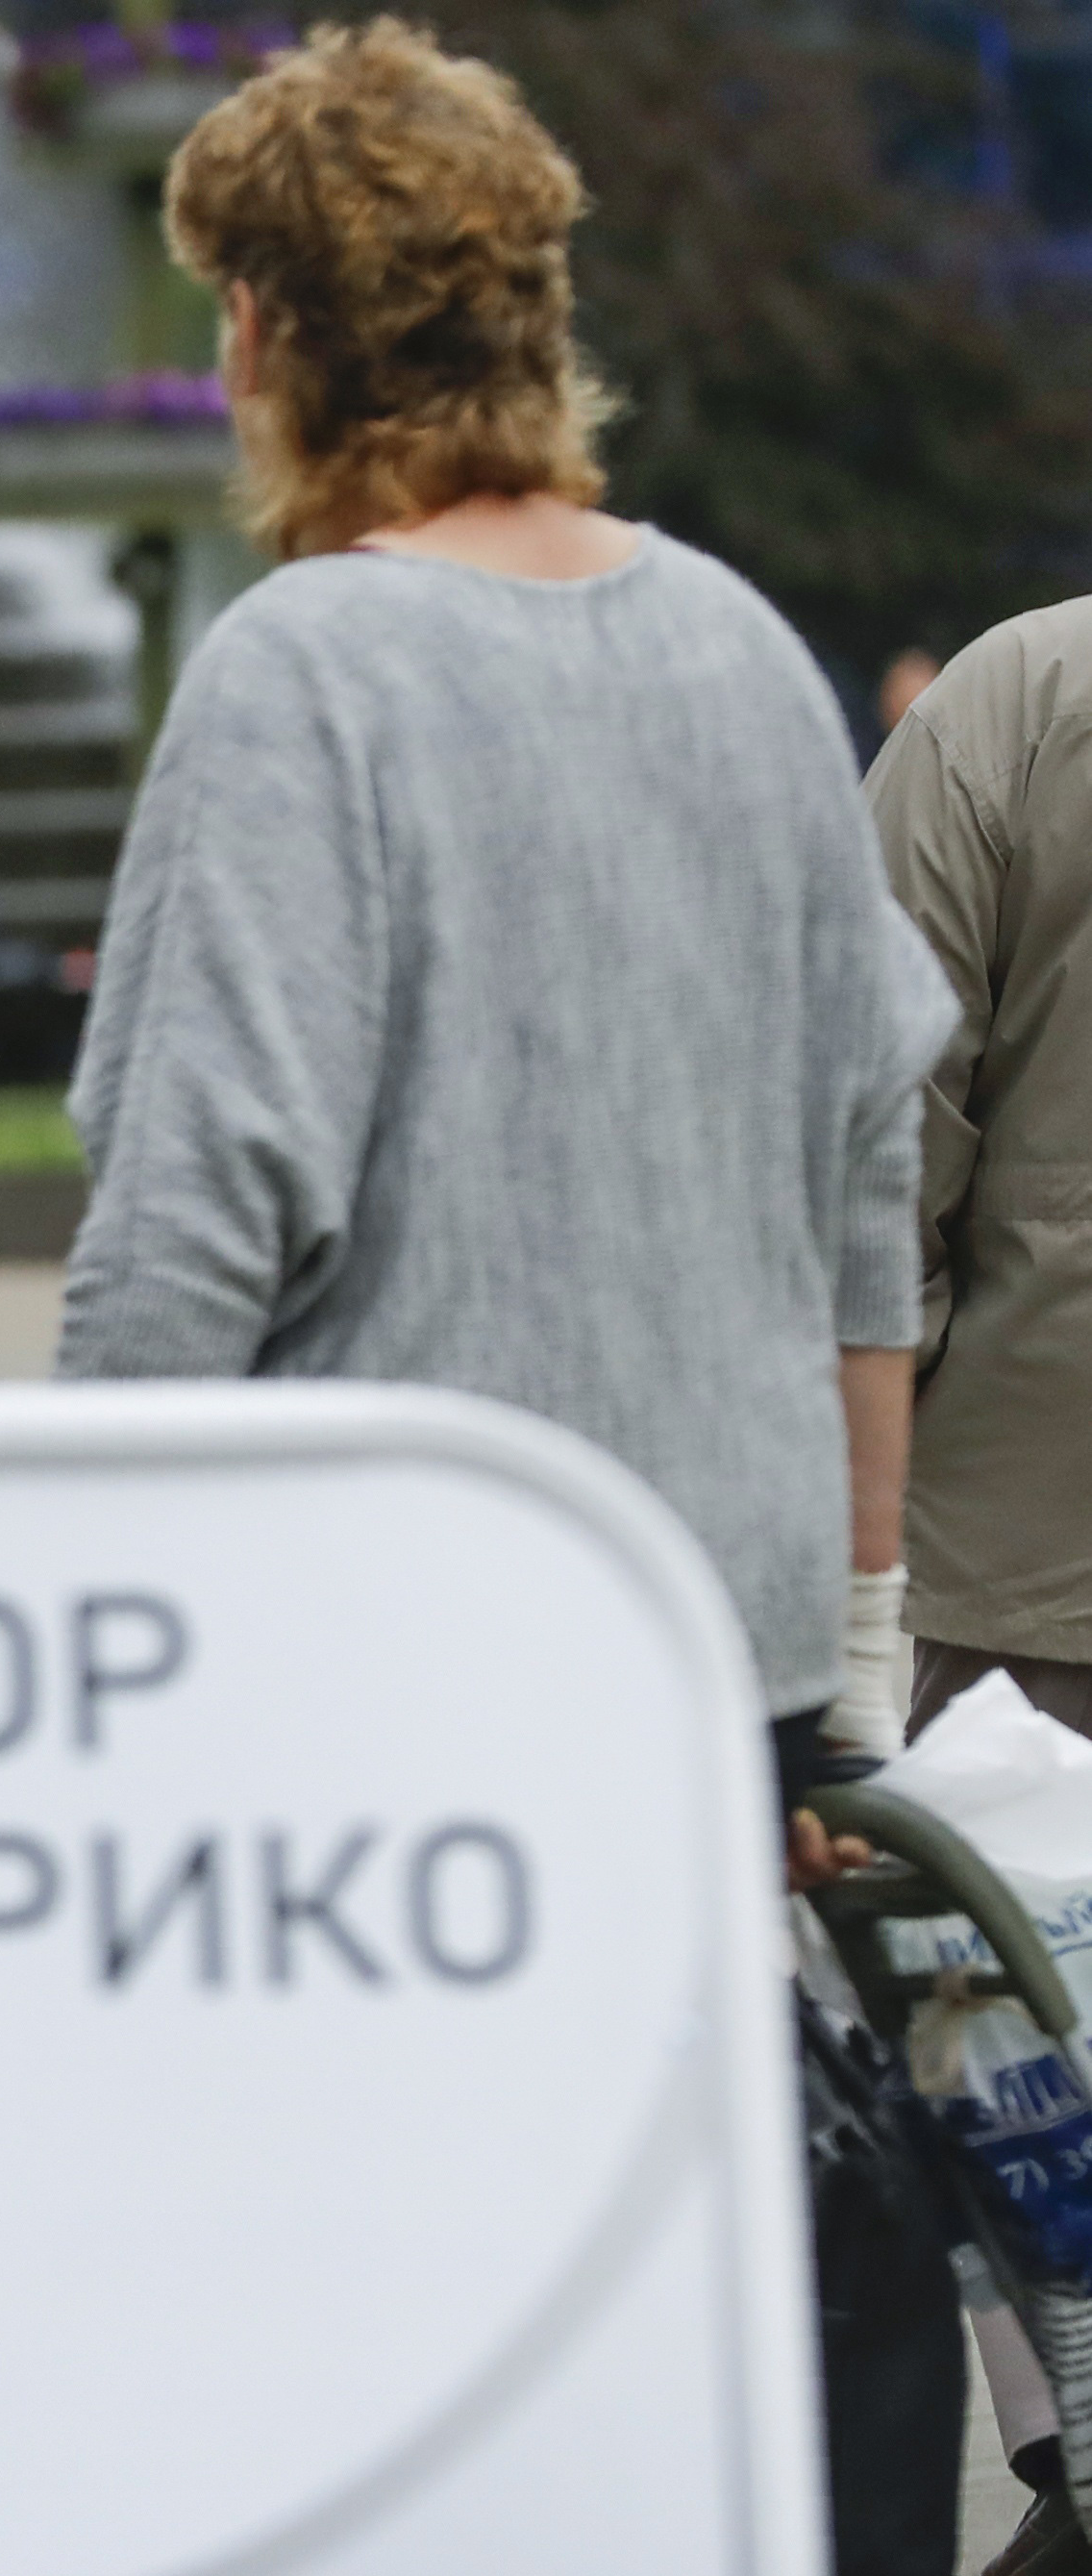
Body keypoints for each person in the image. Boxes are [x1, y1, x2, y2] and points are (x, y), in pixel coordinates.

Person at [57, 21, 941, 1863]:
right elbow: (868, 1172)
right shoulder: (746, 653)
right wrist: (855, 1650)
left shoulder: (300, 673)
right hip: (724, 1648)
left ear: (262, 332)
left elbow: (185, 1238)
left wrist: (86, 1657)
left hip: (396, 1663)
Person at [857, 547, 1092, 2576]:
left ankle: (1073, 2449)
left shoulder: (1017, 704)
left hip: (1042, 1518)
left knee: (989, 2007)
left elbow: (876, 1109)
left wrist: (899, 1386)